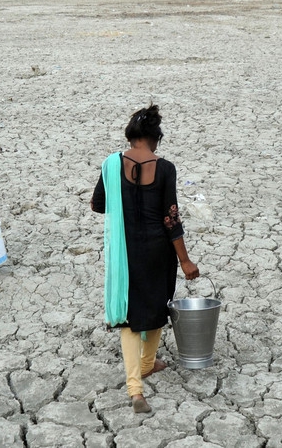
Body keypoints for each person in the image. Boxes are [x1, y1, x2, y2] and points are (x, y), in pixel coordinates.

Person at [91, 103, 199, 413]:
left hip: (126, 254)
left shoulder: (110, 164)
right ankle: (147, 363)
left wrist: (122, 197)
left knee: (130, 318)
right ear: (155, 137)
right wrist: (186, 261)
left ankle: (136, 389)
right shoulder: (165, 168)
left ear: (130, 136)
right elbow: (170, 219)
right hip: (158, 251)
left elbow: (98, 205)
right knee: (157, 305)